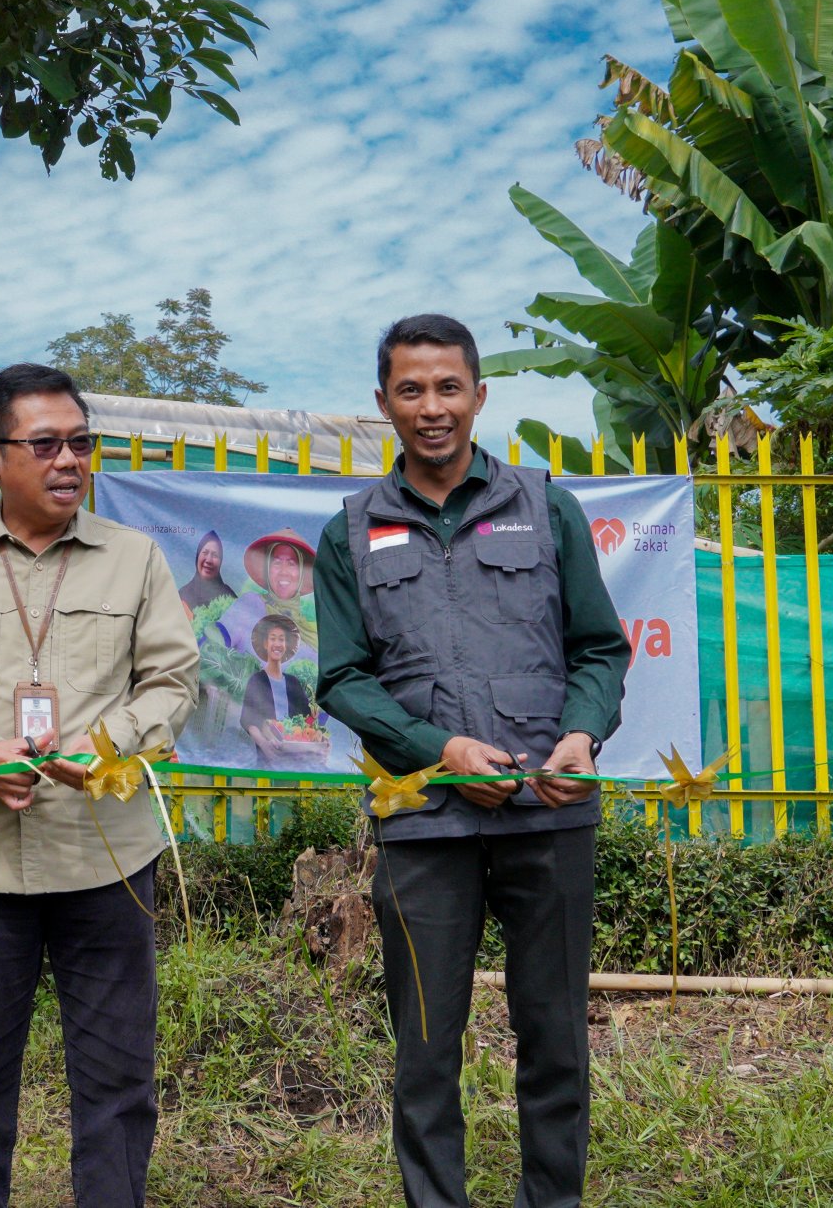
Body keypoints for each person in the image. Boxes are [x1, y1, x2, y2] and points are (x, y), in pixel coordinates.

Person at [313, 313, 631, 1208]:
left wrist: (581, 734)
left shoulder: (545, 505)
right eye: (410, 389)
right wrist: (441, 749)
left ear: (480, 395)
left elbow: (600, 649)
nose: (431, 407)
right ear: (383, 403)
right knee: (423, 1051)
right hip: (424, 827)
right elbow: (341, 677)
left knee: (557, 1040)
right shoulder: (351, 530)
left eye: (448, 386)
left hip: (549, 817)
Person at [0, 363, 198, 1208]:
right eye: (45, 443)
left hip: (110, 859)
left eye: (82, 443)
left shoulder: (135, 559)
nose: (69, 461)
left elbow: (172, 681)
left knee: (119, 1082)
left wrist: (110, 741)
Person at [239, 613, 319, 763]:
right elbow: (248, 720)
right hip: (267, 760)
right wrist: (264, 744)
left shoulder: (293, 683)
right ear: (265, 644)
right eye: (273, 638)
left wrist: (318, 740)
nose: (277, 644)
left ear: (286, 645)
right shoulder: (257, 680)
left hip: (297, 759)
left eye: (281, 639)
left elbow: (308, 721)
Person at [177, 529, 234, 612]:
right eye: (205, 552)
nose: (209, 560)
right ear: (197, 556)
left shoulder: (228, 596)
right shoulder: (182, 595)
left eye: (215, 555)